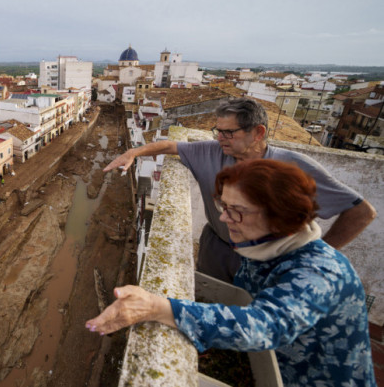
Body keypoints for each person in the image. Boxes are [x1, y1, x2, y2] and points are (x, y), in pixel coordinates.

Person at [86, 160, 376, 386]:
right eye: (223, 206)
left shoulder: (322, 273)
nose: (224, 218)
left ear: (280, 216)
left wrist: (158, 307)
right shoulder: (262, 245)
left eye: (237, 210)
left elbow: (264, 326)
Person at [104, 97, 376, 282]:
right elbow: (168, 146)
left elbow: (362, 212)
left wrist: (320, 254)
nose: (219, 138)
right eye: (217, 131)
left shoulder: (293, 167)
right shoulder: (210, 152)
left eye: (228, 133)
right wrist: (133, 152)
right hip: (216, 250)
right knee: (208, 298)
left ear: (258, 132)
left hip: (270, 261)